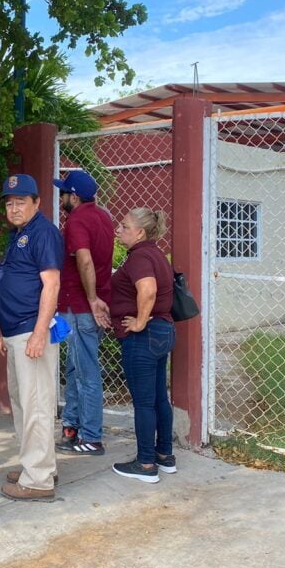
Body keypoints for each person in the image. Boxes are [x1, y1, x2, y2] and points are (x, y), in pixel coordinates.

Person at [0, 174, 65, 502]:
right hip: (16, 332)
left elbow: (51, 284)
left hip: (31, 332)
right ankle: (35, 464)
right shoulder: (18, 234)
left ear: (36, 202)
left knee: (36, 405)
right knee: (23, 403)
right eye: (9, 202)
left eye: (21, 201)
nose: (14, 207)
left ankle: (38, 480)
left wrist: (38, 333)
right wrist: (5, 332)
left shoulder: (44, 232)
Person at [109, 208, 176, 484]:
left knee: (144, 402)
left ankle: (146, 463)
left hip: (144, 336)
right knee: (160, 397)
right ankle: (164, 456)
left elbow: (147, 289)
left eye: (124, 226)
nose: (119, 230)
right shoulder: (155, 254)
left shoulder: (140, 257)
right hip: (162, 331)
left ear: (140, 232)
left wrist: (138, 321)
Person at [54, 170, 113, 456]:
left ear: (73, 197)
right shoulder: (102, 216)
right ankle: (72, 428)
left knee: (86, 372)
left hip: (81, 307)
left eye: (63, 193)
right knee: (75, 368)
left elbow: (86, 261)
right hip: (89, 307)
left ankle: (91, 437)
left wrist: (90, 299)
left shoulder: (77, 220)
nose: (61, 197)